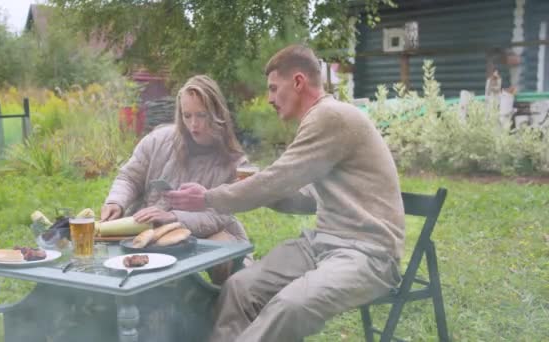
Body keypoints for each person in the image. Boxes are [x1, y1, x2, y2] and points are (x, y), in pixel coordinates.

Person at [166, 45, 405, 341]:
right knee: (238, 288)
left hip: (367, 254)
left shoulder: (330, 116)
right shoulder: (318, 121)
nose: (269, 99)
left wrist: (208, 198)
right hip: (322, 244)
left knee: (289, 305)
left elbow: (276, 179)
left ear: (298, 82)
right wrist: (258, 192)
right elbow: (304, 199)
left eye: (273, 88)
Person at [101, 74, 250, 284]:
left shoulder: (234, 162)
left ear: (217, 114)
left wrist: (174, 217)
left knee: (223, 255)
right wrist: (116, 201)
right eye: (187, 116)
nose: (193, 124)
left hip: (208, 231)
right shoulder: (158, 141)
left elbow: (218, 215)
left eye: (202, 115)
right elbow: (129, 177)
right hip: (149, 229)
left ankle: (217, 307)